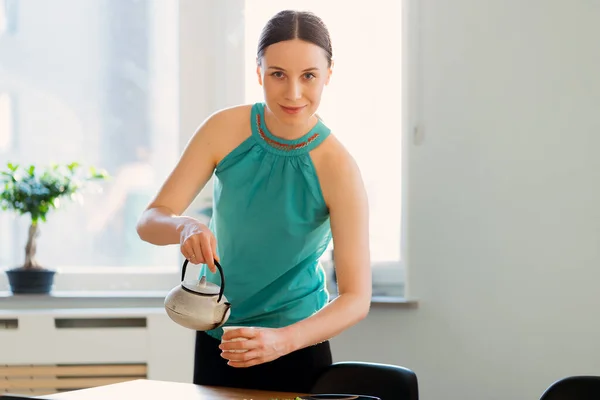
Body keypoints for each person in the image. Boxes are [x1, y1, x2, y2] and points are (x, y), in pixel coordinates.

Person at [136, 9, 371, 393]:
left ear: (329, 74)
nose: (293, 92)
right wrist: (184, 226)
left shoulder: (338, 168)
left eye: (308, 76)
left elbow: (357, 298)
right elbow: (149, 221)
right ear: (259, 72)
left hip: (295, 346)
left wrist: (283, 341)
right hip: (219, 337)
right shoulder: (223, 130)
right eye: (278, 74)